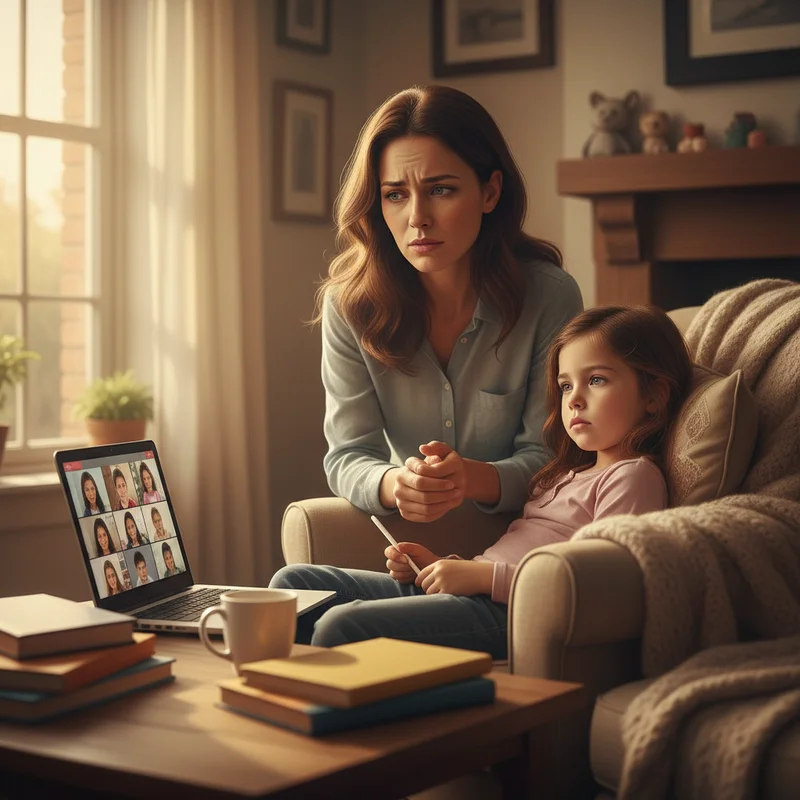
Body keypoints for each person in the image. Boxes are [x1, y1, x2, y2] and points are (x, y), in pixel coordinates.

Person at [270, 305, 693, 659]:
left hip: (511, 615)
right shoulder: (564, 474)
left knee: (341, 625)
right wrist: (441, 565)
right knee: (294, 586)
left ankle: (318, 720)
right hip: (478, 594)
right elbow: (511, 556)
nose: (575, 400)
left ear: (654, 396)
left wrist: (481, 579)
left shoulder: (632, 477)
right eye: (566, 386)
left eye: (596, 380)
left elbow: (600, 586)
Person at [313, 85, 583, 523]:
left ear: (490, 192)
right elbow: (348, 455)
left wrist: (469, 480)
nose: (417, 217)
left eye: (440, 190)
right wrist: (395, 484)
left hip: (525, 533)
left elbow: (553, 455)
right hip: (411, 533)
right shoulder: (350, 306)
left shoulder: (549, 296)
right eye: (395, 194)